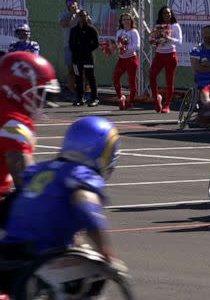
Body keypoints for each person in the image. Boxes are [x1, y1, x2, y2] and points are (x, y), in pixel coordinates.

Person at [0, 116, 120, 294]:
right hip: (40, 256)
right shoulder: (80, 175)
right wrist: (105, 251)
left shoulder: (42, 169)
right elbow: (86, 207)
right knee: (97, 272)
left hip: (9, 252)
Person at [0, 52, 59, 226]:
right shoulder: (12, 122)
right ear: (17, 89)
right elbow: (27, 180)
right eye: (39, 92)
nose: (43, 99)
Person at [149, 6, 182, 114]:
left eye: (168, 13)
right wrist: (155, 40)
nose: (167, 15)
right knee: (152, 76)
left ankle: (167, 105)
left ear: (171, 14)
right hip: (159, 55)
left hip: (170, 55)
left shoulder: (175, 26)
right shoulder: (158, 26)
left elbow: (179, 42)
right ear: (161, 15)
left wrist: (169, 38)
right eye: (164, 13)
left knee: (169, 81)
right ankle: (156, 100)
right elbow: (153, 41)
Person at [69, 10, 100, 107]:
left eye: (84, 16)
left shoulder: (92, 29)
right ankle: (80, 98)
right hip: (76, 59)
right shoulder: (73, 30)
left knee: (90, 77)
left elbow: (96, 44)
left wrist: (87, 50)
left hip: (88, 58)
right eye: (80, 16)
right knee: (78, 77)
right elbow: (70, 44)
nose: (82, 18)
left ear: (87, 17)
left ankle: (94, 98)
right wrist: (76, 51)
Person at [112, 12, 140, 110]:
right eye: (124, 19)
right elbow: (116, 44)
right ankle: (121, 98)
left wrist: (125, 49)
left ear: (131, 21)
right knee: (116, 78)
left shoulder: (134, 32)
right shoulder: (119, 32)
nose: (126, 21)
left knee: (132, 81)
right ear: (121, 21)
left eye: (128, 19)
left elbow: (137, 46)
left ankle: (130, 102)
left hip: (131, 59)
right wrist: (115, 48)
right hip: (122, 60)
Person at [59, 0, 81, 97]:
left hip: (81, 46)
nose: (71, 4)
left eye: (73, 1)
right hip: (69, 46)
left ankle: (84, 91)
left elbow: (89, 23)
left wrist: (79, 14)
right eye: (68, 2)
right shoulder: (64, 14)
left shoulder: (81, 14)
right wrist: (71, 14)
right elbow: (63, 24)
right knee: (71, 69)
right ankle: (72, 91)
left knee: (83, 70)